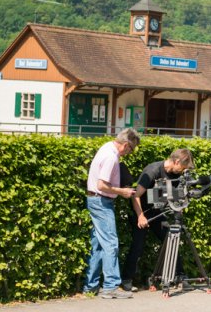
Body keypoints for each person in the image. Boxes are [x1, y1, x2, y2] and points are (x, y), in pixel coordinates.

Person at [121, 148, 195, 292]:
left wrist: (179, 207)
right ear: (176, 161)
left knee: (171, 238)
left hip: (157, 211)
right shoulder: (152, 171)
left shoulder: (176, 174)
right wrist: (140, 216)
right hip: (141, 212)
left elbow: (173, 195)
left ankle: (180, 277)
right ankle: (126, 279)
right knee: (137, 245)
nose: (183, 170)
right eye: (183, 167)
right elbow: (136, 195)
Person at [82, 128, 140, 299]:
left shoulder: (106, 147)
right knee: (110, 243)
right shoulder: (111, 157)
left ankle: (90, 286)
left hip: (95, 199)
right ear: (126, 145)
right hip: (101, 201)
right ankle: (111, 286)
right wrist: (122, 191)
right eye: (131, 149)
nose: (129, 153)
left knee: (99, 244)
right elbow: (101, 185)